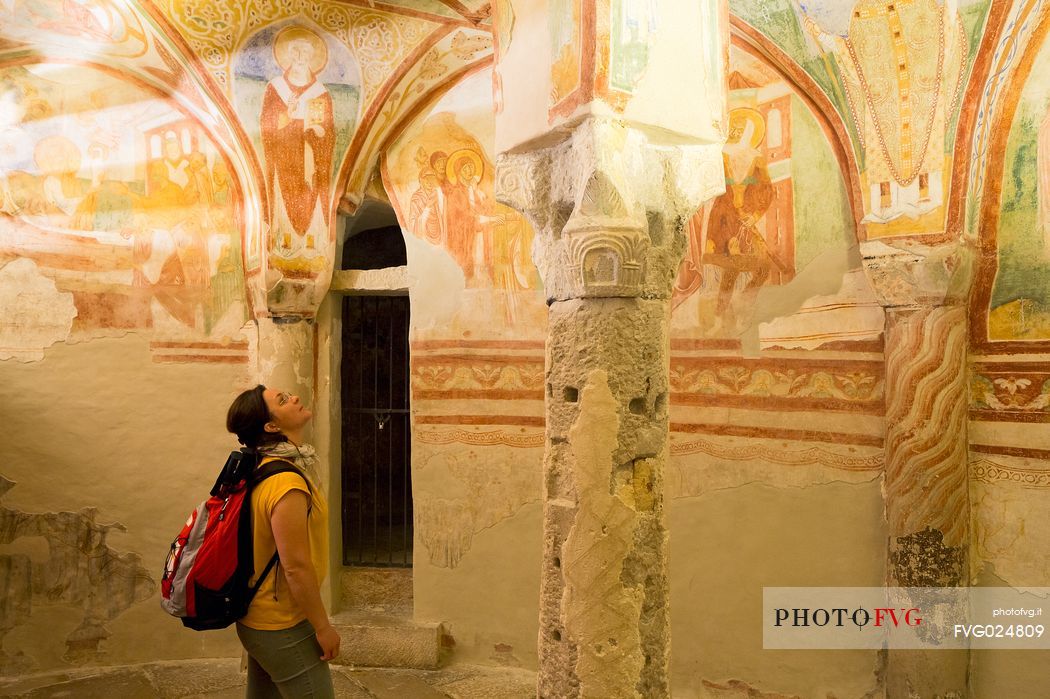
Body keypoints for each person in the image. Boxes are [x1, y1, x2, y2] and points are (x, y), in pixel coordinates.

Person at [225, 384, 340, 698]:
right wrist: (322, 627)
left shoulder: (263, 469)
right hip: (281, 624)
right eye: (283, 400)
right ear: (272, 426)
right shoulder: (286, 483)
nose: (295, 398)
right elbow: (296, 568)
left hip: (258, 619)